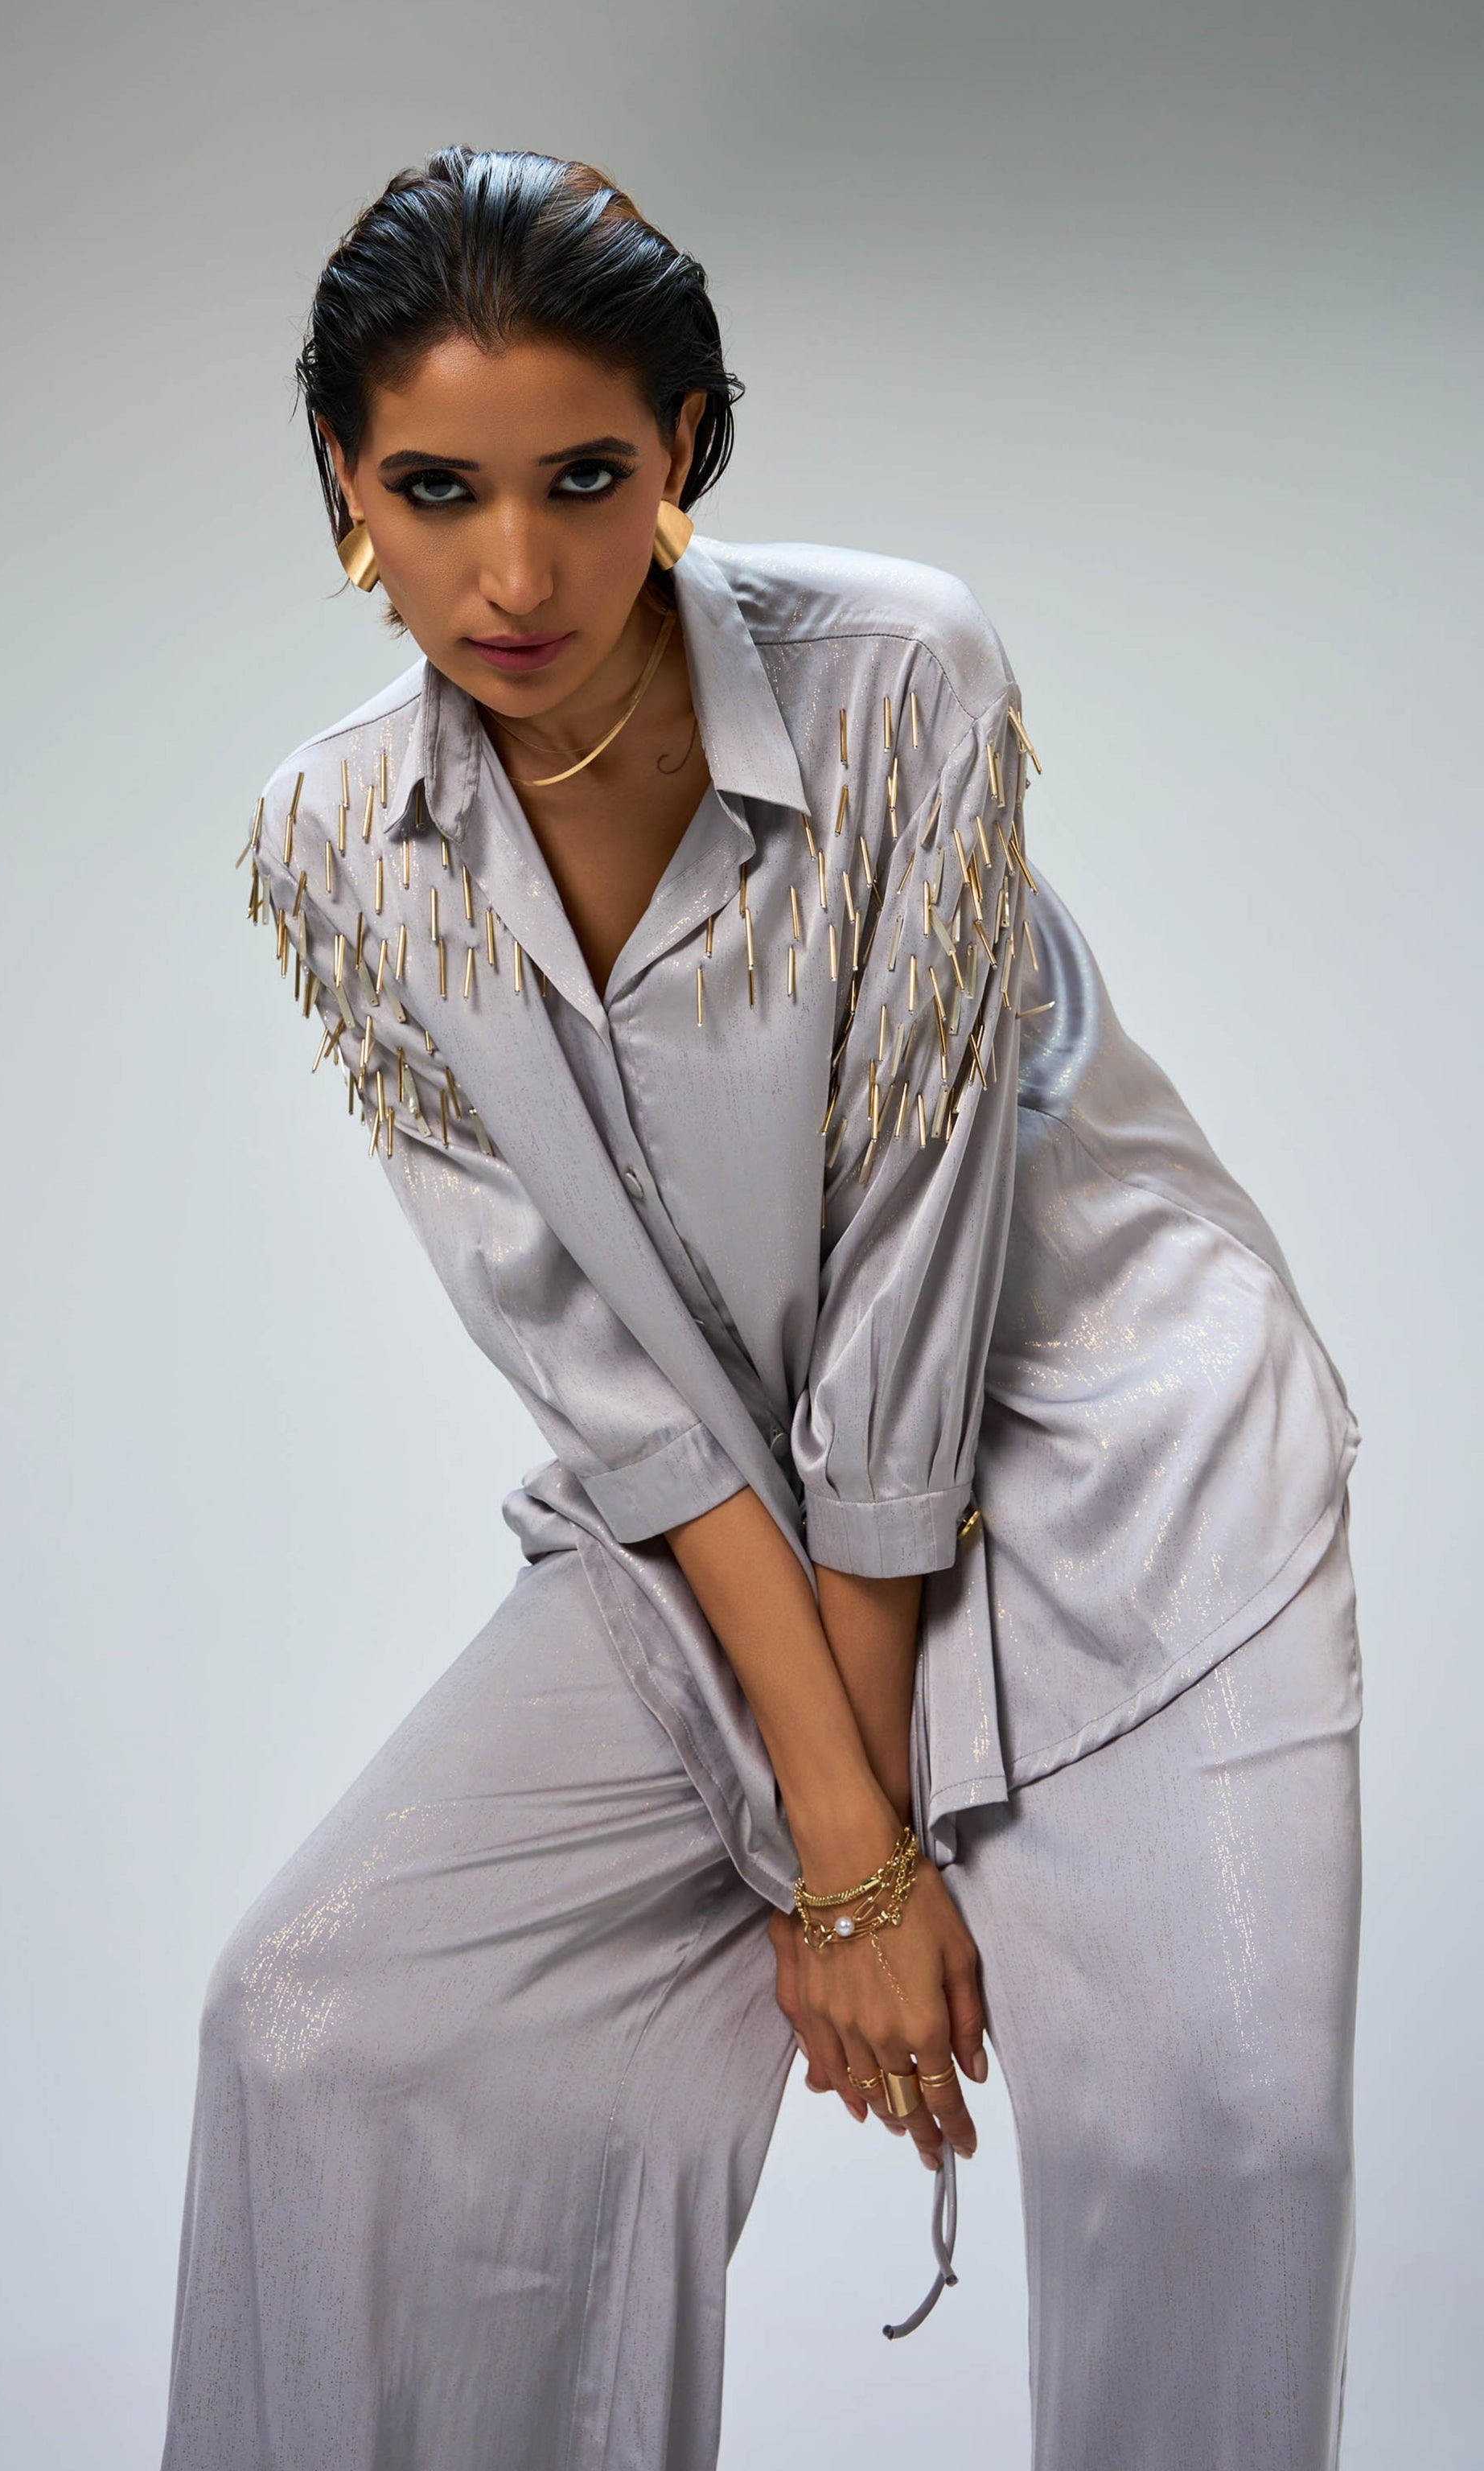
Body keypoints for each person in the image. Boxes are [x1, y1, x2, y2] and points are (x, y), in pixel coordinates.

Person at [160, 148, 1362, 2471]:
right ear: (345, 482)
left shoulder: (903, 672)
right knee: (324, 2027)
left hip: (1112, 1444)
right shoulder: (336, 844)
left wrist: (852, 1853)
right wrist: (846, 1843)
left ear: (687, 449)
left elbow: (917, 1251)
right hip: (726, 1510)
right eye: (437, 491)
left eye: (586, 478)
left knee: (1220, 2139)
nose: (517, 577)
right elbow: (593, 1359)